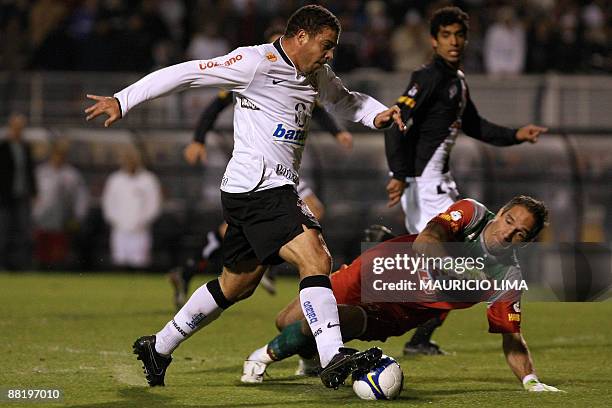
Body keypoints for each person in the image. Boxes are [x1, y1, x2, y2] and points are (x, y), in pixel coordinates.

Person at [85, 5, 405, 390]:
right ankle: (332, 355)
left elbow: (346, 100)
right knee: (315, 255)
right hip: (259, 187)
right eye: (326, 45)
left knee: (237, 284)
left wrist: (379, 115)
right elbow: (187, 72)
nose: (330, 53)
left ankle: (160, 345)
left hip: (256, 190)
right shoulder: (256, 61)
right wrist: (124, 99)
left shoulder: (316, 73)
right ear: (300, 36)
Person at [241, 196, 563, 392]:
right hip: (374, 270)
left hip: (395, 315)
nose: (507, 232)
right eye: (508, 220)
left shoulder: (508, 277)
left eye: (519, 232)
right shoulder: (472, 214)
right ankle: (312, 354)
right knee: (286, 322)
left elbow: (512, 338)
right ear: (500, 212)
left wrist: (530, 381)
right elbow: (426, 241)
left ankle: (258, 360)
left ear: (527, 241)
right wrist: (460, 268)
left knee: (334, 318)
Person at [384, 6, 548, 355]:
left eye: (459, 34)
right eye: (446, 35)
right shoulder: (428, 77)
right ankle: (387, 252)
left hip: (438, 180)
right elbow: (395, 123)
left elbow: (475, 126)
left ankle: (417, 333)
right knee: (462, 255)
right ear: (433, 40)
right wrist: (398, 174)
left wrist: (517, 134)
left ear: (467, 39)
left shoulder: (457, 80)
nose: (454, 41)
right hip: (425, 183)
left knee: (450, 260)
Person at [170, 25, 355, 303]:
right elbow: (214, 106)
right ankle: (256, 256)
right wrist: (198, 140)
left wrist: (337, 131)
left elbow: (317, 108)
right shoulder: (254, 71)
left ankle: (191, 267)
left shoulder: (300, 78)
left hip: (283, 167)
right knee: (308, 211)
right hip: (257, 166)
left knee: (245, 231)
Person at [101, 146, 162, 269]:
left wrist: (142, 222)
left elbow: (154, 205)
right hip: (120, 231)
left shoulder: (148, 179)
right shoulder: (115, 180)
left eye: (132, 159)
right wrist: (117, 222)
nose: (129, 162)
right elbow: (108, 204)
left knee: (140, 263)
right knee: (119, 262)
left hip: (140, 231)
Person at [33, 141, 89, 268]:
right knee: (43, 247)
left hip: (64, 217)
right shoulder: (41, 172)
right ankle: (41, 269)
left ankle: (59, 269)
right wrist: (34, 211)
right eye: (56, 155)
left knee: (60, 247)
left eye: (61, 156)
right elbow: (34, 194)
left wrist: (79, 216)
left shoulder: (72, 174)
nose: (58, 158)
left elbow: (81, 196)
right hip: (43, 216)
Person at [0, 113, 37, 270]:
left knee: (24, 232)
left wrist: (34, 192)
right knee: (3, 232)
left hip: (22, 195)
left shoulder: (25, 147)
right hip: (5, 197)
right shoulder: (3, 147)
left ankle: (23, 265)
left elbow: (30, 172)